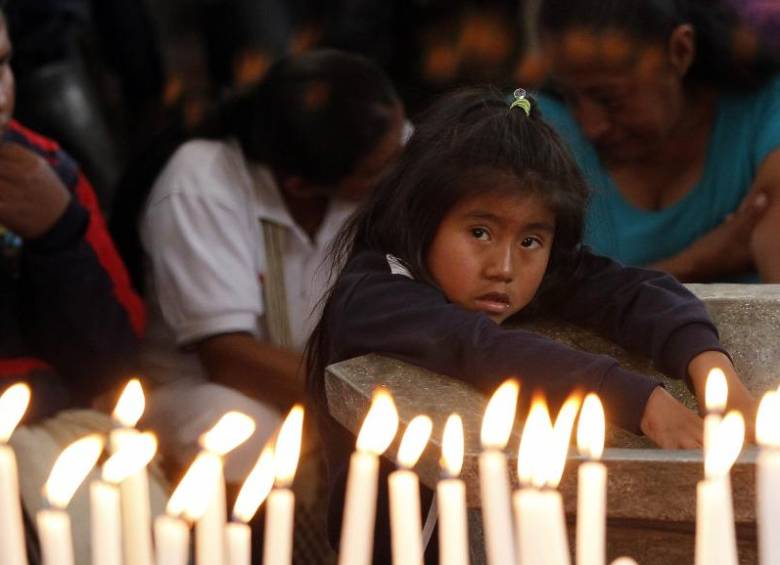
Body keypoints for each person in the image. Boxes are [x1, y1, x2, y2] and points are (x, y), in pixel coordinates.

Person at [305, 88, 756, 561]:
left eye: (531, 240)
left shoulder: (527, 276)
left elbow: (637, 292)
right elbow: (479, 348)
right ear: (422, 217)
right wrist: (642, 402)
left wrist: (716, 378)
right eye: (479, 232)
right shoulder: (375, 292)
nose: (503, 266)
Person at [139, 49, 406, 481]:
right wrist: (369, 405)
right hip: (207, 391)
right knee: (241, 434)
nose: (402, 166)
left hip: (333, 382)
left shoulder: (380, 151)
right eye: (380, 169)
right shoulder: (201, 180)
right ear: (299, 184)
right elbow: (229, 358)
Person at [533, 0, 780, 282]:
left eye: (609, 99)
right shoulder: (533, 131)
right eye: (569, 96)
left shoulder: (765, 110)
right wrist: (695, 264)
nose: (592, 127)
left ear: (680, 51)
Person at [0, 9, 143, 420]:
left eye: (2, 64)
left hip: (50, 419)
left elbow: (114, 366)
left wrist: (59, 236)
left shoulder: (48, 171)